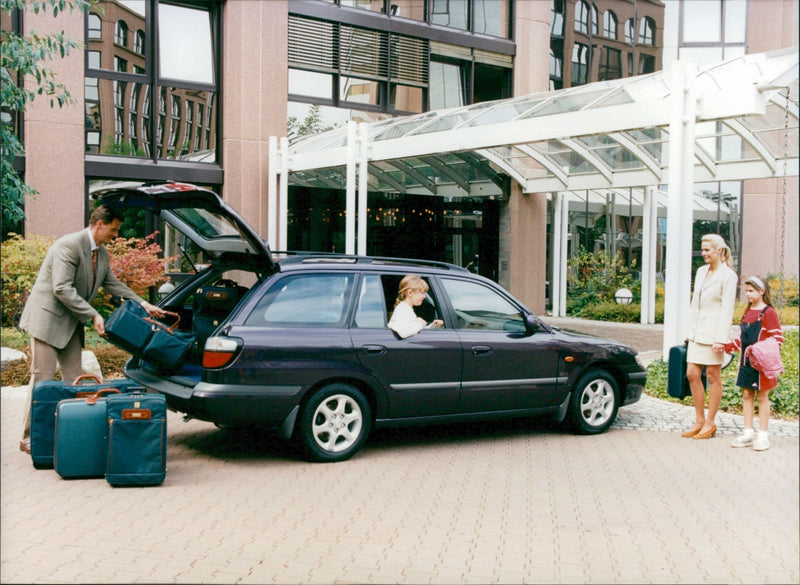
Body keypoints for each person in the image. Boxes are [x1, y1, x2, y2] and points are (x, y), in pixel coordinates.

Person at [17, 205, 166, 453]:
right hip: (47, 320)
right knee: (42, 378)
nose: (116, 235)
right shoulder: (69, 245)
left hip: (71, 322)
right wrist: (94, 314)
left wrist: (143, 303)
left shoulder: (103, 253)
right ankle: (30, 438)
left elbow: (113, 284)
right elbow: (61, 288)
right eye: (113, 229)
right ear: (99, 224)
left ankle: (68, 430)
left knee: (75, 378)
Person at [682, 234, 738, 440]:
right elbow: (694, 303)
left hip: (714, 336)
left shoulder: (728, 276)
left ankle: (710, 422)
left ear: (719, 251)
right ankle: (698, 419)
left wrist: (721, 339)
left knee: (713, 377)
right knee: (692, 374)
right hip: (697, 334)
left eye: (707, 250)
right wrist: (689, 332)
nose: (703, 253)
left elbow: (727, 309)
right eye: (702, 249)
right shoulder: (700, 271)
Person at [724, 276, 784, 451]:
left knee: (762, 397)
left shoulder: (769, 312)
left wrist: (758, 350)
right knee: (746, 395)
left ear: (762, 291)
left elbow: (778, 338)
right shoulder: (748, 311)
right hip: (746, 363)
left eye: (751, 291)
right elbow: (743, 340)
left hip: (762, 365)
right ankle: (748, 432)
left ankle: (763, 435)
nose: (748, 294)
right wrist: (726, 347)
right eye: (746, 291)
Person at [388, 274, 444, 339]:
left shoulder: (407, 308)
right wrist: (420, 323)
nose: (424, 296)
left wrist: (433, 326)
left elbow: (413, 331)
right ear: (410, 293)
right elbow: (404, 333)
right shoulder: (403, 310)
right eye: (422, 293)